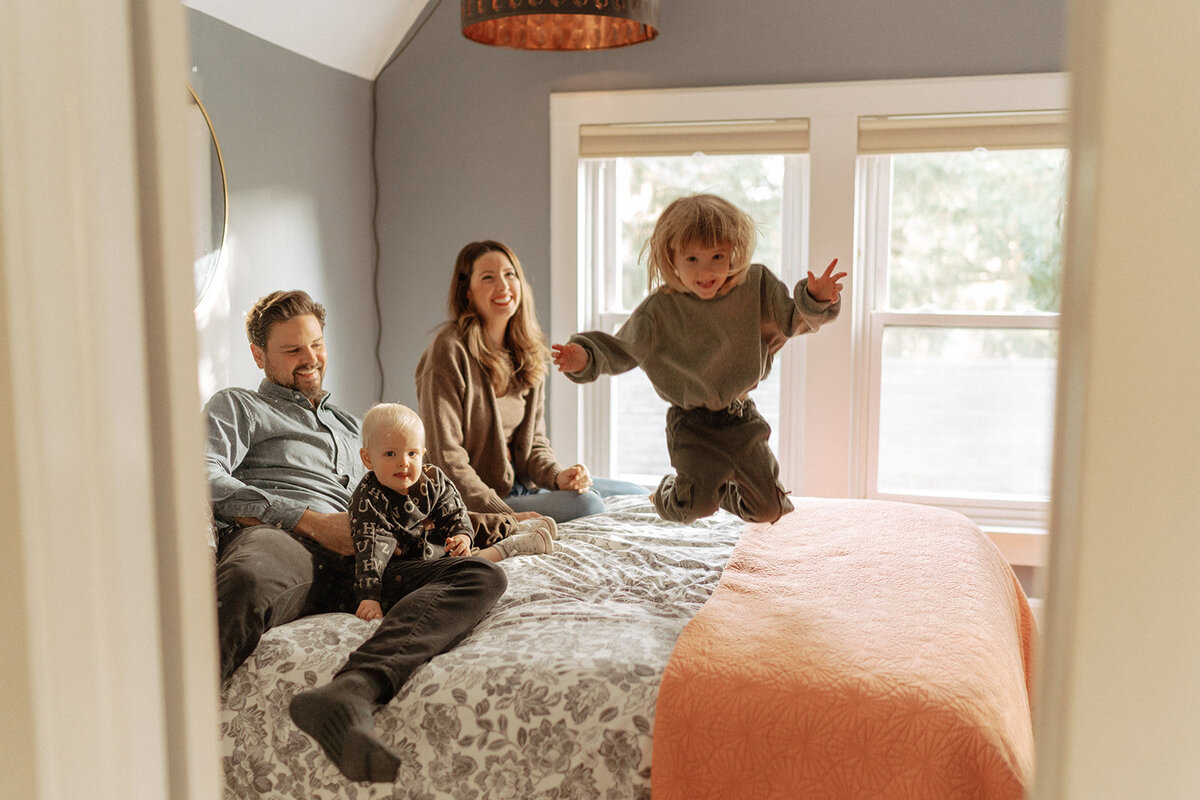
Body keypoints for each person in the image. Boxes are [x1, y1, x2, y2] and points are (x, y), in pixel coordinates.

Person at [206, 290, 507, 783]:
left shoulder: (354, 429)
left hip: (363, 562)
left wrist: (462, 527)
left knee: (480, 575)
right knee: (248, 578)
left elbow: (408, 490)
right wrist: (307, 519)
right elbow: (200, 472)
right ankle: (173, 731)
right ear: (259, 355)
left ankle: (350, 692)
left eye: (317, 345)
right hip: (287, 540)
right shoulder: (240, 407)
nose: (310, 360)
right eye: (292, 351)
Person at [551, 194, 846, 525]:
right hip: (692, 426)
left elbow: (794, 318)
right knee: (694, 507)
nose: (705, 271)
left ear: (733, 252)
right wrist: (584, 356)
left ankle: (723, 490)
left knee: (769, 509)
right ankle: (665, 492)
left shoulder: (755, 286)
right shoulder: (660, 310)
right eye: (692, 259)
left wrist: (817, 297)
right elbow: (620, 349)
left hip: (741, 419)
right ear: (672, 258)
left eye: (717, 257)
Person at [415, 239, 645, 526]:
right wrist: (504, 513)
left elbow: (534, 444)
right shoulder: (448, 352)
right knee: (588, 503)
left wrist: (558, 476)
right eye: (488, 277)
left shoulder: (527, 351)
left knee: (637, 493)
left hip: (524, 487)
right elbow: (446, 459)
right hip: (479, 499)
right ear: (468, 293)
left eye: (510, 274)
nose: (503, 285)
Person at [347, 402, 555, 626]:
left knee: (466, 547)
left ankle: (513, 532)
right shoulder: (368, 499)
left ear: (422, 455)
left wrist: (462, 536)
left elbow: (455, 511)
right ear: (368, 459)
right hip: (408, 564)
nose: (404, 463)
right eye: (390, 453)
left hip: (438, 545)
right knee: (465, 567)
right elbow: (369, 551)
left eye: (412, 453)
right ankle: (508, 547)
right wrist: (369, 597)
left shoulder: (433, 479)